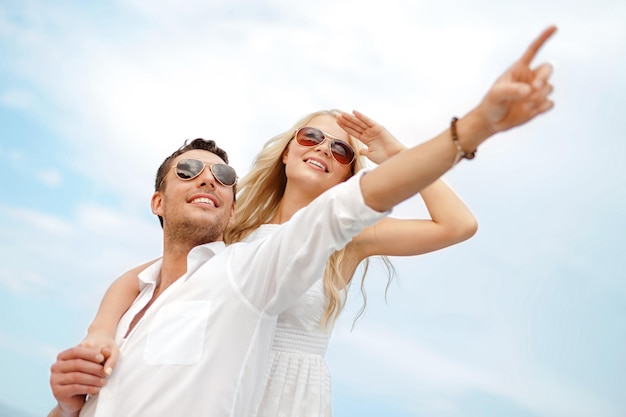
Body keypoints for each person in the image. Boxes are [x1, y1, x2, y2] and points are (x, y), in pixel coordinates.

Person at [49, 25, 557, 417]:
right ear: (287, 152)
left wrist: (394, 153)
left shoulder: (349, 238)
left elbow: (458, 224)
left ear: (348, 177)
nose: (324, 150)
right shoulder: (238, 231)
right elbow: (147, 275)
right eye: (311, 138)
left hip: (293, 389)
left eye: (341, 150)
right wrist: (100, 332)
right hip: (221, 375)